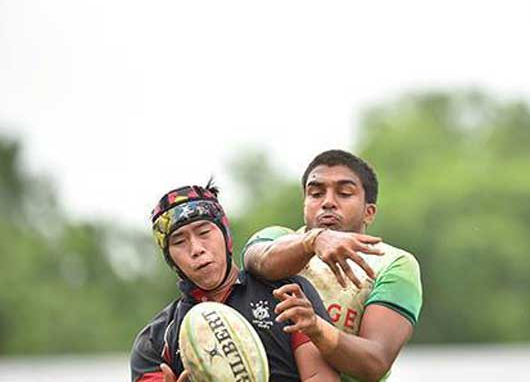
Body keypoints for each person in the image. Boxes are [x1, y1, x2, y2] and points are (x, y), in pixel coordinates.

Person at [242, 150, 423, 382]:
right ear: (305, 204)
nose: (328, 202)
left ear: (369, 213)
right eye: (316, 193)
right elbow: (258, 262)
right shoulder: (276, 238)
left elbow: (374, 362)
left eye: (345, 193)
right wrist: (313, 240)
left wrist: (316, 328)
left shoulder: (395, 264)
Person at [130, 182, 339, 382]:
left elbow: (320, 377)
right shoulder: (154, 342)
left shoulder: (287, 293)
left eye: (204, 233)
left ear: (225, 235)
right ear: (170, 258)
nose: (196, 249)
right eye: (179, 241)